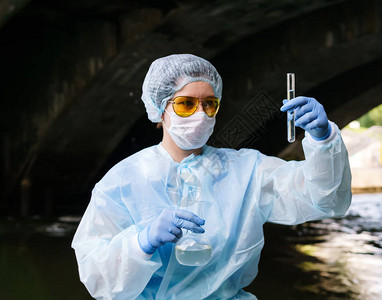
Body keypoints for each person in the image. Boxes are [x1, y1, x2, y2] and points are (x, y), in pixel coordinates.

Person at [72, 54, 352, 300]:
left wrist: (323, 139)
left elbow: (325, 198)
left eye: (210, 104)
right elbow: (99, 281)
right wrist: (140, 243)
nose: (200, 114)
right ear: (160, 109)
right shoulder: (123, 180)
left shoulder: (248, 172)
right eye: (185, 104)